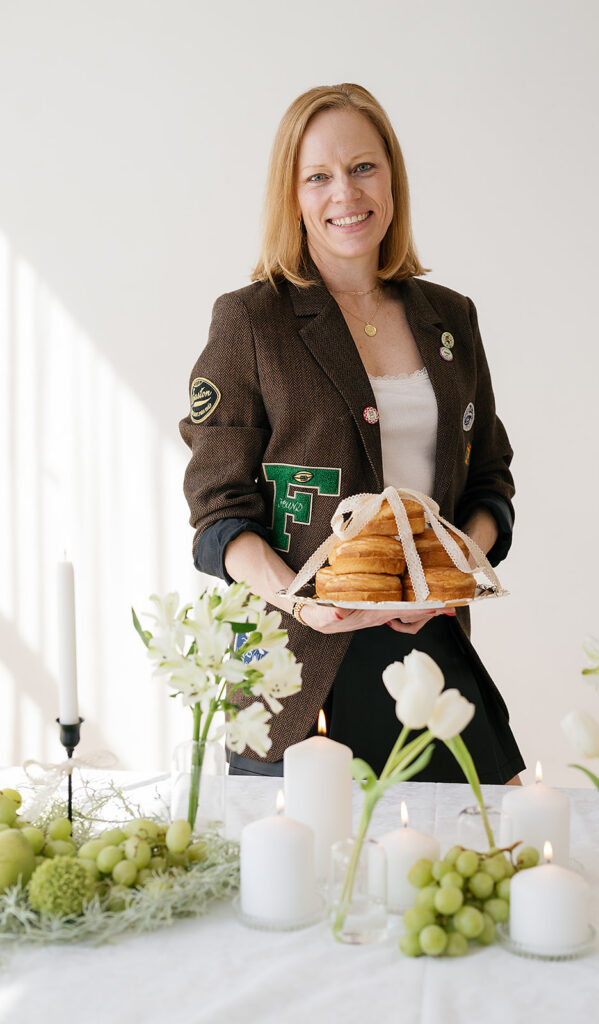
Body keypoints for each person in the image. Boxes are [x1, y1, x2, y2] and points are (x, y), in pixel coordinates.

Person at [179, 83, 524, 784]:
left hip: (430, 654)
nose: (346, 192)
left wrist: (451, 577)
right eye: (319, 176)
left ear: (392, 178)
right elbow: (218, 513)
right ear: (292, 195)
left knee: (478, 839)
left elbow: (490, 481)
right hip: (294, 674)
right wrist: (299, 599)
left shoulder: (451, 318)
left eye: (363, 167)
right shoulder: (251, 322)